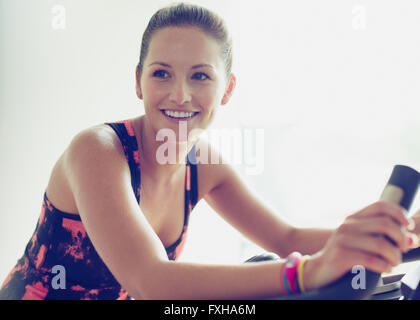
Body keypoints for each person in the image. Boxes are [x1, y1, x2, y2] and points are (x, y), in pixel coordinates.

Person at [1, 2, 419, 300]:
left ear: (227, 90)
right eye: (161, 73)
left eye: (200, 76)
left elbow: (285, 237)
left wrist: (397, 240)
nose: (180, 95)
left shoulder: (204, 164)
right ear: (138, 82)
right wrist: (307, 273)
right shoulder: (96, 151)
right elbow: (152, 282)